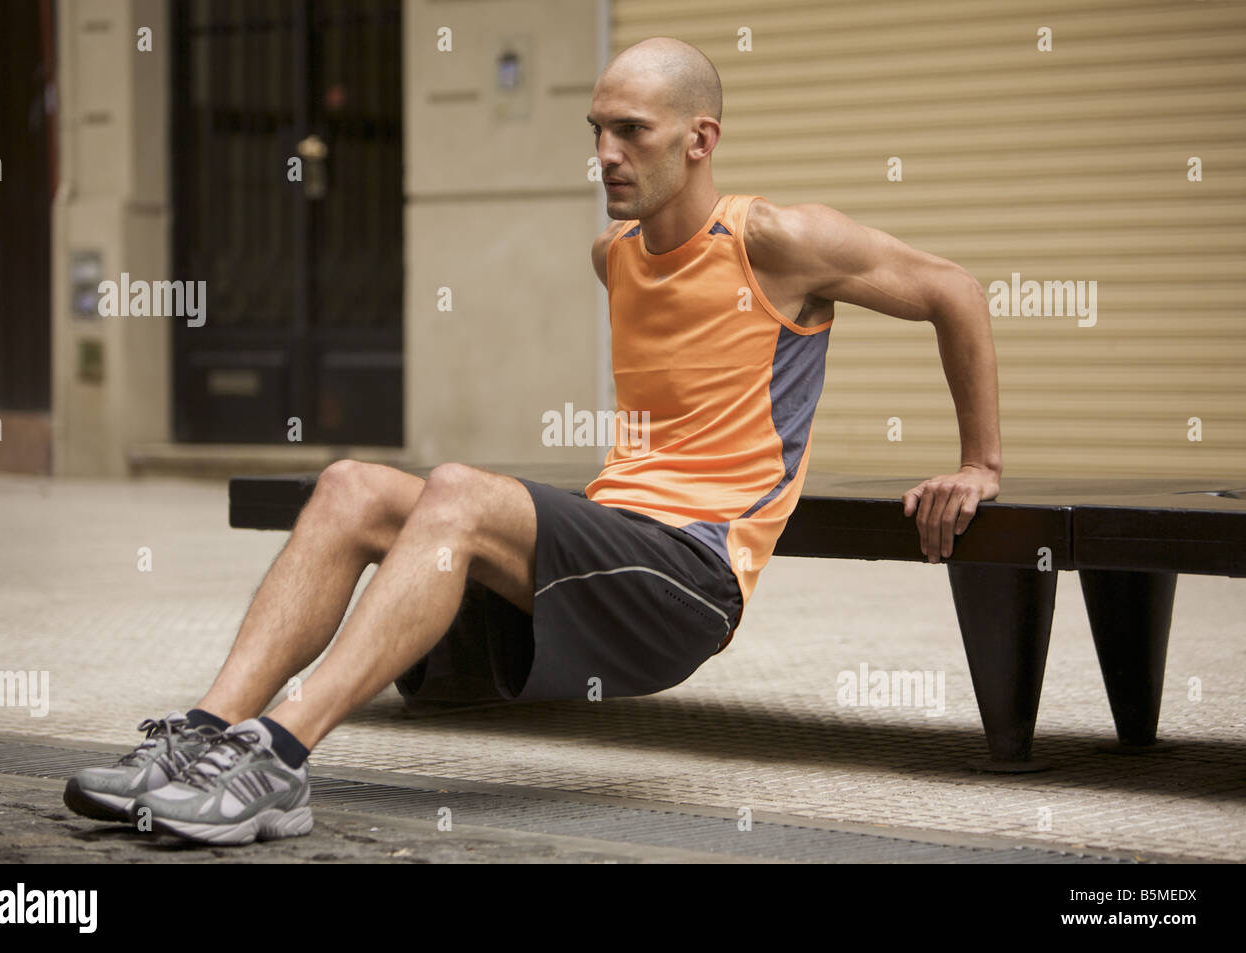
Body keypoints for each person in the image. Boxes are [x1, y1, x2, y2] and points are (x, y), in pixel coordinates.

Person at [63, 36, 1001, 845]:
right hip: (608, 549)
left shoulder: (778, 240)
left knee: (461, 490)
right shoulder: (615, 255)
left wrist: (978, 464)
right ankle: (201, 732)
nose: (605, 153)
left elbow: (953, 289)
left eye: (630, 129)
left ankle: (275, 757)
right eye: (597, 130)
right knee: (350, 480)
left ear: (699, 138)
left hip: (692, 577)